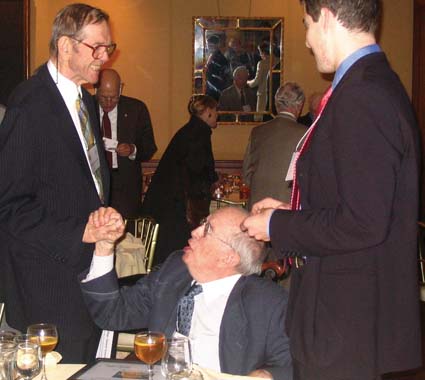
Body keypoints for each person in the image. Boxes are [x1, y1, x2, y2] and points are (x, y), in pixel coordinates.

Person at [242, 1, 421, 379]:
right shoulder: (369, 86)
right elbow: (351, 201)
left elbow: (363, 222)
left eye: (307, 25)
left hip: (344, 322)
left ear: (325, 17)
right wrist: (289, 213)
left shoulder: (363, 95)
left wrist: (278, 227)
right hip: (343, 318)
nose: (307, 40)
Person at [0, 3, 119, 363]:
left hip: (83, 268)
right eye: (96, 48)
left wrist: (101, 217)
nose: (104, 58)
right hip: (47, 283)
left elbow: (82, 181)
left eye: (108, 48)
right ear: (66, 46)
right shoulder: (30, 105)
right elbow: (10, 206)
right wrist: (79, 233)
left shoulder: (83, 98)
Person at [80, 206, 292, 379]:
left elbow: (292, 364)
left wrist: (266, 375)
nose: (194, 232)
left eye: (207, 229)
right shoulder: (175, 271)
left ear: (228, 258)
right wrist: (104, 246)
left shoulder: (267, 303)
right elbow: (112, 314)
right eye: (202, 224)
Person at [141, 95, 218, 266]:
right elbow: (197, 171)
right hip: (178, 205)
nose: (217, 114)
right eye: (215, 110)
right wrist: (210, 184)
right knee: (176, 253)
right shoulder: (199, 133)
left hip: (167, 202)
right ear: (207, 113)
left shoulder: (189, 130)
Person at [94, 69, 157, 219]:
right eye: (103, 97)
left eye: (114, 98)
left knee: (126, 237)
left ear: (121, 89)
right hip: (95, 184)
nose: (108, 103)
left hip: (125, 185)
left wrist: (132, 150)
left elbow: (149, 147)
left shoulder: (136, 109)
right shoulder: (87, 108)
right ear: (96, 89)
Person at [243, 82, 306, 210]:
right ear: (299, 106)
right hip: (286, 208)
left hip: (257, 207)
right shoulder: (305, 134)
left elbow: (246, 174)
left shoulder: (257, 132)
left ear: (276, 105)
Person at [247, 42, 273, 122]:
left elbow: (256, 81)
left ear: (263, 52)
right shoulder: (278, 61)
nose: (260, 54)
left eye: (260, 52)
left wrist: (247, 82)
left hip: (263, 94)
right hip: (274, 93)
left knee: (259, 119)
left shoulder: (262, 63)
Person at [205, 35, 231, 101]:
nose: (208, 47)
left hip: (216, 88)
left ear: (215, 45)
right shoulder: (211, 56)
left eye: (209, 45)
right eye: (208, 45)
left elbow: (223, 75)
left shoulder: (221, 58)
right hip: (210, 86)